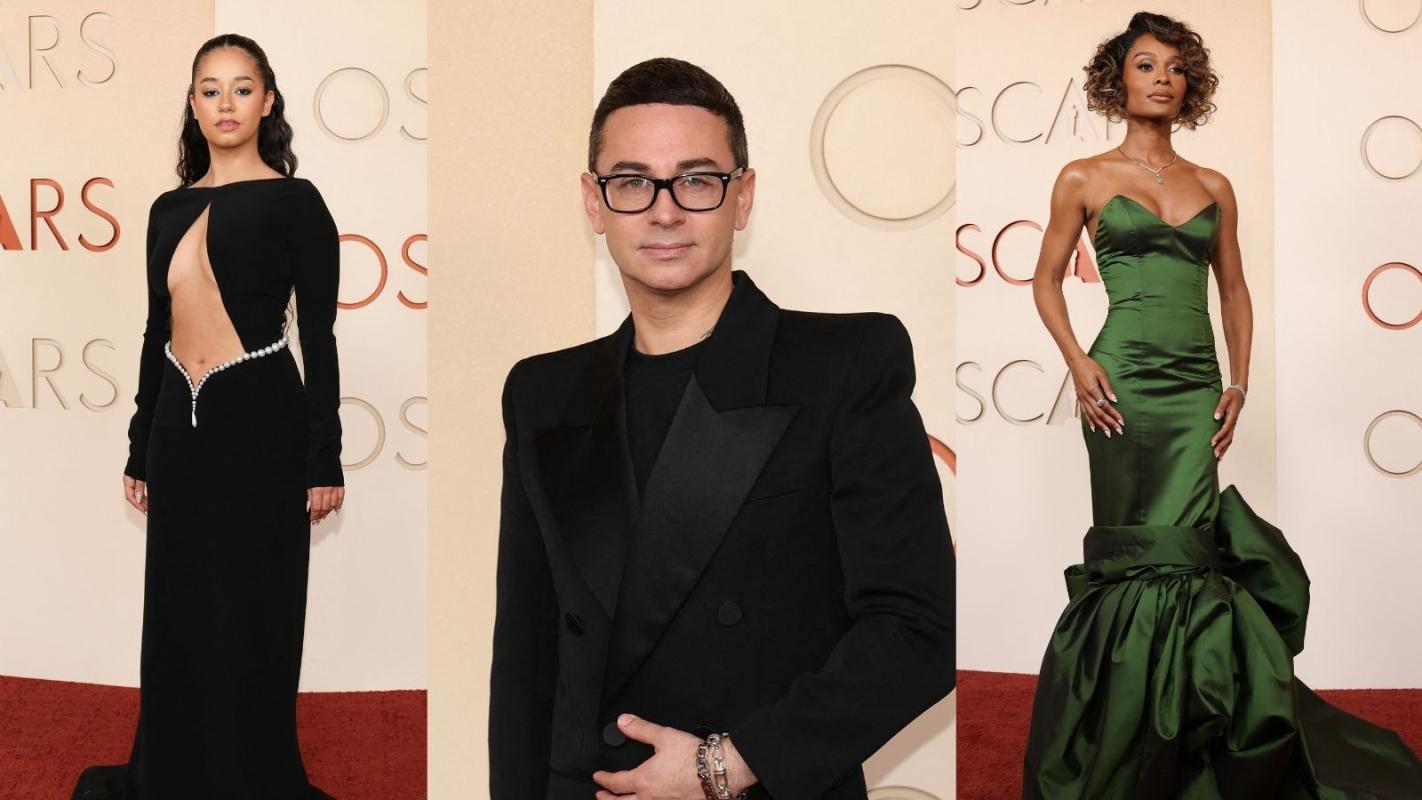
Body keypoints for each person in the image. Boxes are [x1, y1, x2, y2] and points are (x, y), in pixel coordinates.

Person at [489, 57, 955, 800]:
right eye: (632, 182)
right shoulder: (541, 392)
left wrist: (726, 766)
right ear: (594, 201)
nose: (664, 211)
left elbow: (917, 629)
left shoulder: (843, 365)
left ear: (743, 197)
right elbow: (527, 657)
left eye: (697, 180)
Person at [1023, 12, 1422, 798]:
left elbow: (1233, 291)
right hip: (1120, 383)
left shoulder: (1214, 186)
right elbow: (1044, 279)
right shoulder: (1082, 177)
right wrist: (1076, 361)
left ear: (1191, 85)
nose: (1162, 78)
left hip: (1195, 385)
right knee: (1140, 552)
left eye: (1175, 67)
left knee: (1191, 554)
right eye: (1145, 64)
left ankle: (1189, 735)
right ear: (1118, 80)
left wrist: (1239, 383)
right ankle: (1122, 735)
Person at [73, 33, 343, 800]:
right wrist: (139, 445)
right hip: (177, 433)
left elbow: (319, 335)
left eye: (242, 88)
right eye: (211, 89)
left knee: (255, 610)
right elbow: (155, 332)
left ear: (268, 101)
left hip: (263, 428)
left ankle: (248, 779)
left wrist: (323, 456)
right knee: (179, 614)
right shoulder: (167, 209)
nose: (226, 103)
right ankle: (174, 775)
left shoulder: (297, 203)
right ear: (193, 104)